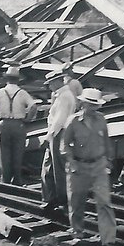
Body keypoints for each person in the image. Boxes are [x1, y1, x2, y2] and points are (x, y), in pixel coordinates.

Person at [60, 88, 118, 246]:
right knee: (77, 201)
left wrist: (109, 159)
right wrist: (71, 161)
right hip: (79, 166)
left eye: (96, 105)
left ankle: (109, 240)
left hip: (99, 166)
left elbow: (106, 140)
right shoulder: (72, 121)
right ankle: (77, 232)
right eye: (91, 105)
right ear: (83, 104)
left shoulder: (101, 120)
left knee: (104, 202)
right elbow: (64, 145)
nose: (94, 109)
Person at [0, 66, 38, 185]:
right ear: (18, 80)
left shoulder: (0, 92)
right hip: (19, 125)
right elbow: (33, 106)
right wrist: (28, 118)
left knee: (4, 154)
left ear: (6, 79)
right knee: (18, 153)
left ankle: (5, 181)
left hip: (4, 124)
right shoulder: (22, 93)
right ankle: (17, 180)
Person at [40, 69, 77, 215]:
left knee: (58, 169)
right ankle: (51, 198)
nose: (49, 86)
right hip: (57, 133)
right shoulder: (62, 95)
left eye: (50, 83)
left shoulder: (64, 97)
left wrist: (48, 137)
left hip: (58, 134)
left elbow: (59, 120)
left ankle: (62, 201)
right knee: (48, 168)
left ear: (57, 82)